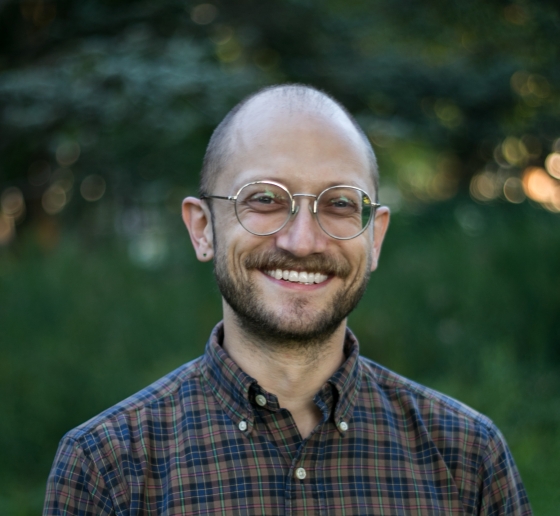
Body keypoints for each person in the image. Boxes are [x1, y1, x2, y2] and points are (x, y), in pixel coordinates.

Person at [44, 85, 532, 515]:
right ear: (202, 229)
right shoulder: (106, 466)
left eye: (339, 203)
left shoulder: (468, 457)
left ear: (376, 237)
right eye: (264, 199)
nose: (302, 242)